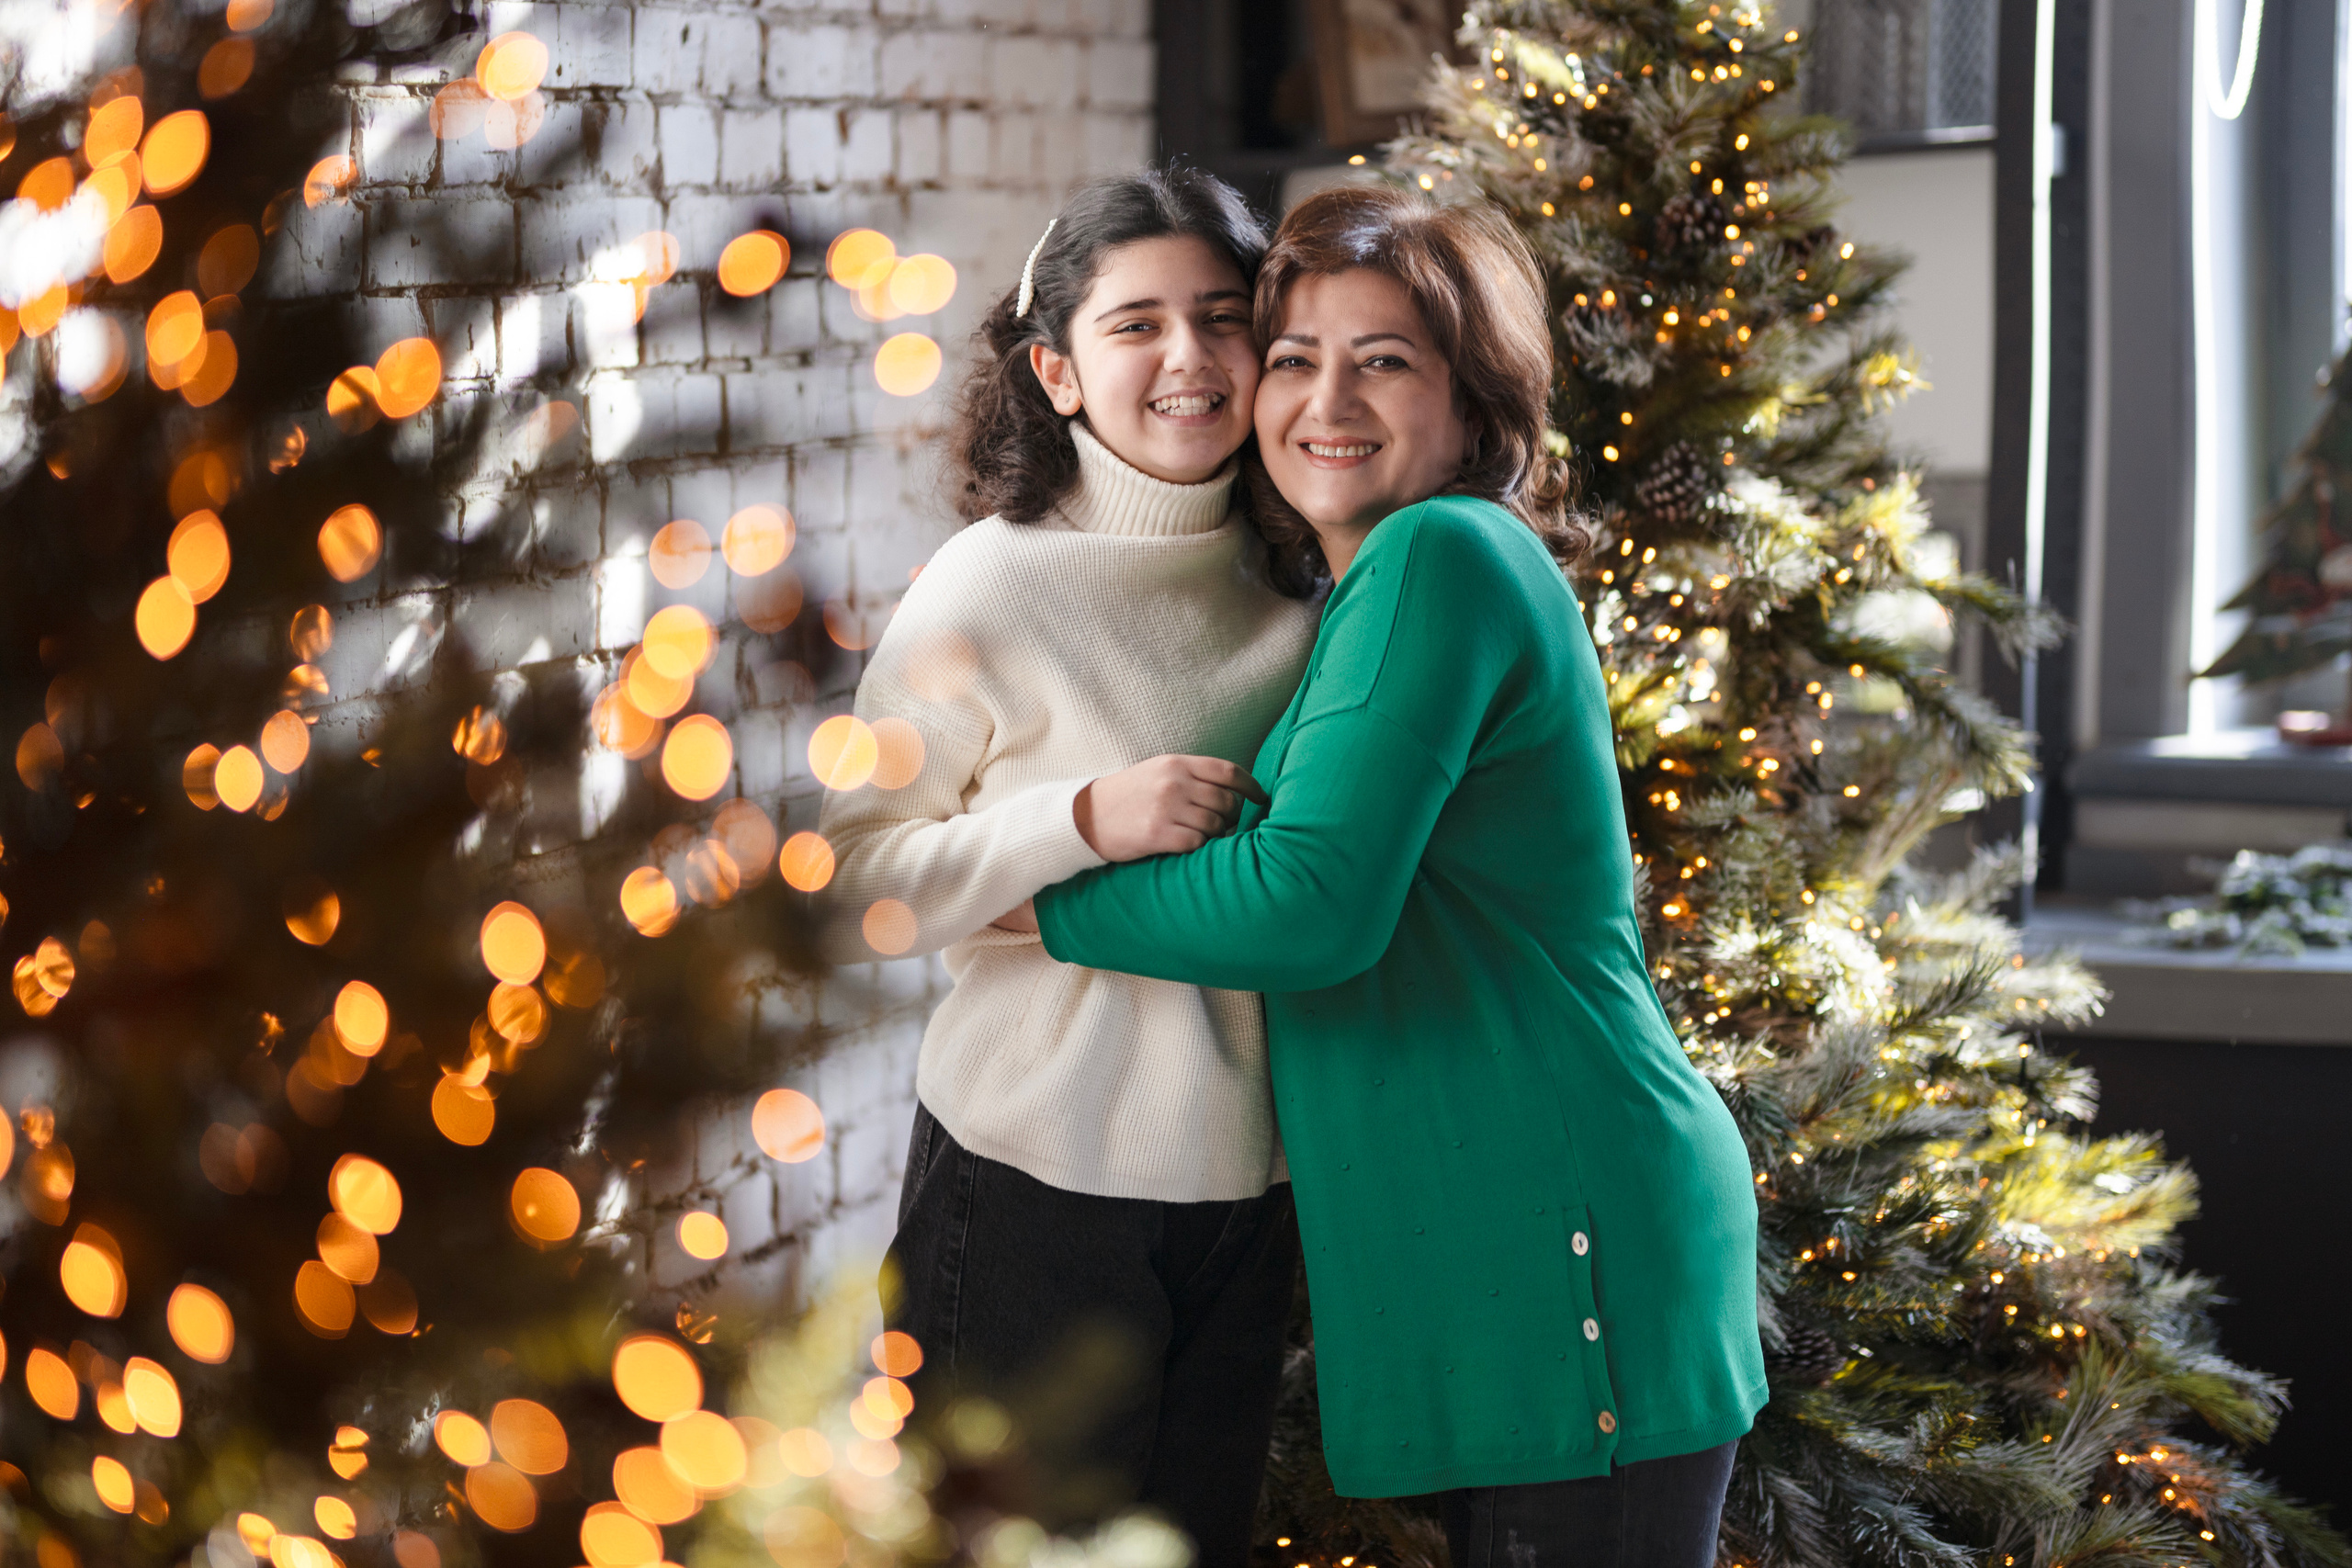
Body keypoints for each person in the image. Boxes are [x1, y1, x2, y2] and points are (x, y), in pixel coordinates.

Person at [1019, 186, 1768, 1566]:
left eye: (1385, 360)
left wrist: (1032, 894)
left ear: (1472, 406)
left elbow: (1308, 904)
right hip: (1534, 1236)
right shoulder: (1376, 588)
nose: (1325, 397)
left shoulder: (1442, 554)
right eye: (1294, 356)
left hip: (1569, 1240)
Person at [815, 168, 1319, 1559]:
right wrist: (1080, 818)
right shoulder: (988, 583)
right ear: (1059, 371)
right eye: (1137, 326)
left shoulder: (1313, 578)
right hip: (1032, 1188)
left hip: (1249, 1200)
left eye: (1225, 320)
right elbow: (854, 878)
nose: (1190, 359)